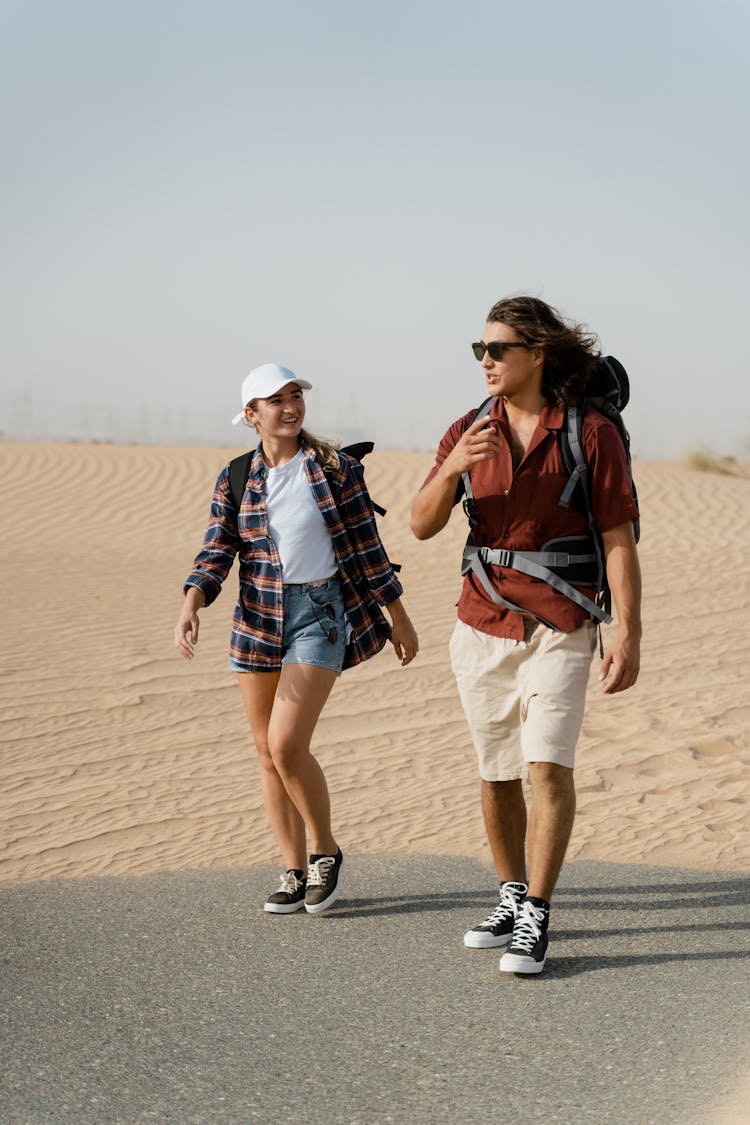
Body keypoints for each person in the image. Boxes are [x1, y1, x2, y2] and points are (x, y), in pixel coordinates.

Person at [410, 297, 641, 974]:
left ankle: (537, 911)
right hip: (481, 621)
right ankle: (510, 894)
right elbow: (422, 524)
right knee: (498, 770)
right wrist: (455, 466)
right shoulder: (467, 429)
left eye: (498, 349)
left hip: (563, 622)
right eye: (479, 350)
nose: (486, 360)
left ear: (536, 355)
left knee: (547, 765)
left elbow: (618, 539)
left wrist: (629, 632)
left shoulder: (589, 431)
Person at [176, 363, 418, 915]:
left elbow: (366, 548)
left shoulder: (335, 469)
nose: (290, 407)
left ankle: (324, 849)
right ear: (251, 415)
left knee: (287, 744)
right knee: (266, 753)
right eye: (275, 400)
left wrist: (397, 616)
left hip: (320, 614)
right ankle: (290, 868)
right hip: (257, 619)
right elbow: (217, 549)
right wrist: (191, 602)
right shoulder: (236, 477)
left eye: (295, 396)